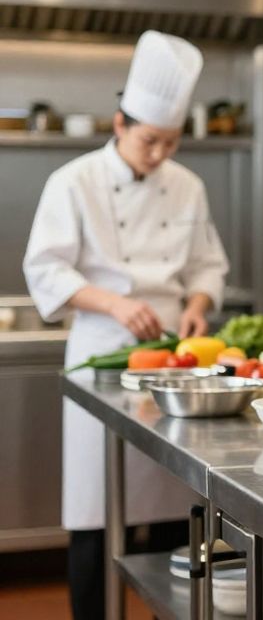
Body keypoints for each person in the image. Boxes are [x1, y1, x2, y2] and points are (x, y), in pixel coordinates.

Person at [24, 30, 229, 618]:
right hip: (102, 359)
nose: (161, 154)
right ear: (119, 123)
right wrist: (114, 304)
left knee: (171, 513)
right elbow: (44, 268)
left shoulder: (187, 186)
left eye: (170, 142)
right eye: (149, 140)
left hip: (174, 367)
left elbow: (208, 264)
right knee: (93, 515)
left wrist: (198, 304)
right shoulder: (74, 181)